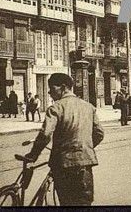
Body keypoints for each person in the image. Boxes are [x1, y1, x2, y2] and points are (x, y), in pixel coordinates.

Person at [24, 73, 104, 206]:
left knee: (67, 203)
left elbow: (45, 135)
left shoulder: (56, 108)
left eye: (51, 88)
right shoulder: (88, 107)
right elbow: (99, 133)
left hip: (63, 165)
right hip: (85, 164)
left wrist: (33, 155)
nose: (49, 92)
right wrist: (83, 147)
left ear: (63, 87)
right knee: (84, 202)